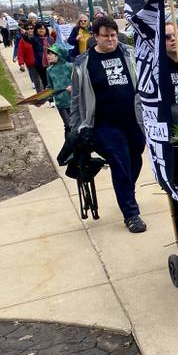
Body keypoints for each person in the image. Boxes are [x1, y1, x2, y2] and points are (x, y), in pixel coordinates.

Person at [70, 17, 147, 233]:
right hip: (104, 124)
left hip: (133, 121)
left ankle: (126, 192)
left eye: (113, 35)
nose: (111, 39)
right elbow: (77, 98)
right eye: (106, 36)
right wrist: (74, 127)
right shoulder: (84, 63)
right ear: (95, 37)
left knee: (135, 158)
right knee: (119, 161)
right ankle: (131, 214)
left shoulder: (129, 53)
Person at [46, 45, 73, 140]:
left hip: (73, 101)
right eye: (47, 54)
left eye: (51, 54)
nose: (48, 56)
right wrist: (42, 98)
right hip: (60, 103)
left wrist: (74, 86)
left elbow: (79, 81)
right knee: (68, 124)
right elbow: (50, 87)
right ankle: (69, 148)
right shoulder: (49, 70)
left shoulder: (70, 66)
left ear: (59, 55)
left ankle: (71, 147)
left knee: (73, 126)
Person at [31, 22, 56, 98]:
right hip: (40, 64)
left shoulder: (50, 39)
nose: (41, 30)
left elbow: (55, 49)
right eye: (39, 28)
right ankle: (50, 99)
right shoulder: (34, 39)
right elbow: (26, 39)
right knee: (45, 81)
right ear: (36, 30)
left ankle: (55, 95)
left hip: (52, 63)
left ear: (46, 29)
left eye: (43, 28)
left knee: (54, 80)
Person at [17, 24, 41, 91]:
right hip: (31, 64)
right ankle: (41, 98)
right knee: (37, 82)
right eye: (27, 29)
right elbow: (20, 53)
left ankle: (48, 98)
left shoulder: (39, 37)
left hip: (41, 62)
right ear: (25, 30)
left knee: (44, 81)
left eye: (31, 28)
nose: (30, 30)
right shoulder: (23, 40)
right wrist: (21, 63)